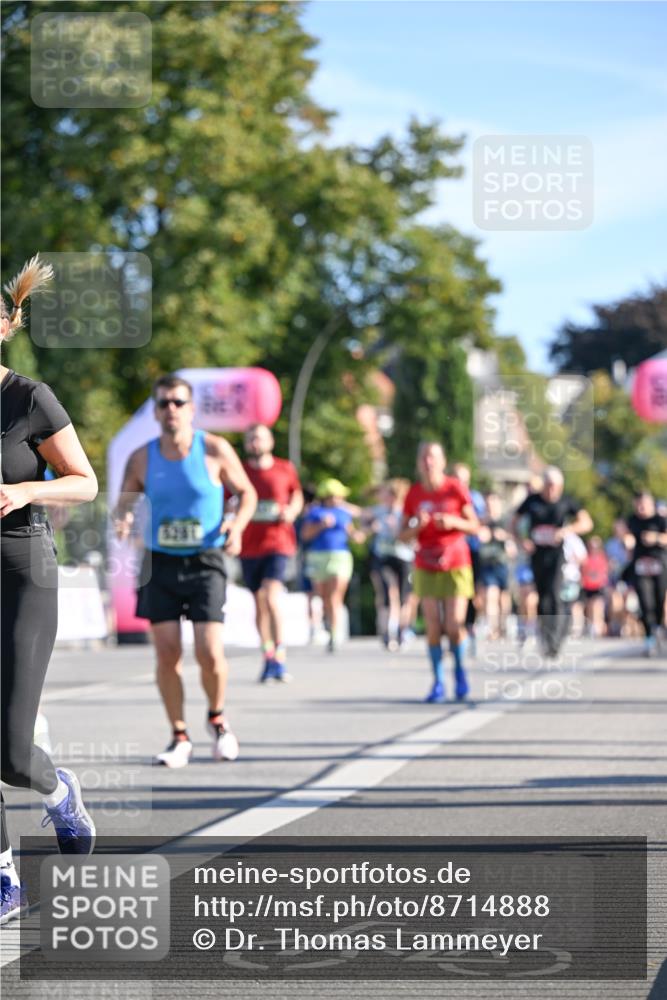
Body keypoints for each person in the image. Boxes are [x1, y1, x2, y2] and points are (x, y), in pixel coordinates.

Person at [1, 256, 98, 925]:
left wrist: (24, 488)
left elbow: (84, 481)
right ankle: (4, 877)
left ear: (6, 327)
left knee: (8, 750)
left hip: (20, 569)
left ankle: (58, 790)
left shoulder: (29, 398)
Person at [114, 374, 257, 768]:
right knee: (167, 652)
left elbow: (247, 493)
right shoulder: (143, 456)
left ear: (192, 409)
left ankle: (218, 719)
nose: (170, 410)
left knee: (209, 651)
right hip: (159, 561)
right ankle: (179, 735)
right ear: (156, 412)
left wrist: (237, 525)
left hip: (205, 559)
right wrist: (123, 518)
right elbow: (125, 498)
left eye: (178, 402)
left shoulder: (213, 449)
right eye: (163, 404)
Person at [400, 442, 479, 703]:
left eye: (433, 456)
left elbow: (474, 526)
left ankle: (460, 673)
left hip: (456, 563)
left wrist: (453, 521)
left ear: (443, 461)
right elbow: (401, 536)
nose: (428, 461)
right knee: (433, 626)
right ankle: (437, 682)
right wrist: (417, 527)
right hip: (426, 563)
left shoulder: (455, 489)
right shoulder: (413, 494)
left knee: (454, 625)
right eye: (423, 457)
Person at [240, 424, 303, 682]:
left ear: (270, 442)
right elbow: (227, 499)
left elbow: (296, 495)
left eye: (260, 438)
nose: (255, 442)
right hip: (249, 545)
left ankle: (280, 655)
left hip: (278, 543)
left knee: (271, 597)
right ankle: (267, 655)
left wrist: (292, 511)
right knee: (259, 603)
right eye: (251, 438)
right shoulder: (240, 471)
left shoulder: (284, 468)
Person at [512, 467, 592, 659]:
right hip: (537, 555)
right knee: (541, 597)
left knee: (554, 594)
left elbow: (586, 522)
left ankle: (554, 640)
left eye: (555, 487)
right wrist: (521, 540)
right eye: (548, 486)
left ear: (561, 487)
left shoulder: (567, 501)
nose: (551, 490)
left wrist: (567, 530)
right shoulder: (532, 501)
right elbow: (514, 522)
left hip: (557, 556)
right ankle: (545, 637)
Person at [300, 479, 364, 653]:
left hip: (340, 557)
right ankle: (326, 625)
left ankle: (335, 634)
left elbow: (353, 532)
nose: (339, 498)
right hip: (318, 557)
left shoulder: (344, 512)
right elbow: (305, 535)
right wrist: (321, 525)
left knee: (335, 597)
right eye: (336, 495)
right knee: (323, 597)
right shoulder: (315, 512)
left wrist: (360, 535)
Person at [364, 480, 414, 651]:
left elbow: (412, 535)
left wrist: (398, 530)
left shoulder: (405, 513)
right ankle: (385, 631)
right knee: (385, 593)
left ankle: (401, 631)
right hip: (383, 557)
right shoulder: (379, 511)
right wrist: (370, 527)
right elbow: (362, 515)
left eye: (389, 494)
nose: (385, 498)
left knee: (403, 596)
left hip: (403, 557)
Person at [624, 491, 667, 656]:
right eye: (638, 504)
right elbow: (625, 535)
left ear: (651, 504)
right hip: (640, 566)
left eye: (644, 504)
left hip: (659, 566)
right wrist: (627, 541)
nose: (641, 508)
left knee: (658, 601)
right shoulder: (632, 520)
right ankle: (649, 638)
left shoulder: (660, 519)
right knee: (644, 602)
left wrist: (655, 538)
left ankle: (657, 630)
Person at [452, 463, 486, 653]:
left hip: (471, 551)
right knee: (454, 595)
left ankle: (472, 628)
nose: (460, 483)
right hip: (452, 554)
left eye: (463, 479)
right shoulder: (447, 497)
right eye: (457, 478)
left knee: (473, 594)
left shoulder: (475, 498)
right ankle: (456, 632)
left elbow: (479, 522)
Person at [477, 492, 516, 639]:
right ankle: (492, 628)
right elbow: (476, 538)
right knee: (490, 595)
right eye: (488, 504)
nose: (490, 507)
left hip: (503, 563)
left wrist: (505, 537)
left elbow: (515, 540)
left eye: (493, 503)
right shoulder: (481, 522)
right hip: (487, 563)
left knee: (503, 598)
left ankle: (503, 625)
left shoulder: (506, 521)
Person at [580, 536, 609, 637]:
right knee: (587, 605)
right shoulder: (585, 557)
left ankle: (597, 626)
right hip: (587, 586)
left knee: (597, 605)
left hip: (598, 587)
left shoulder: (603, 558)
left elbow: (604, 573)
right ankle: (589, 625)